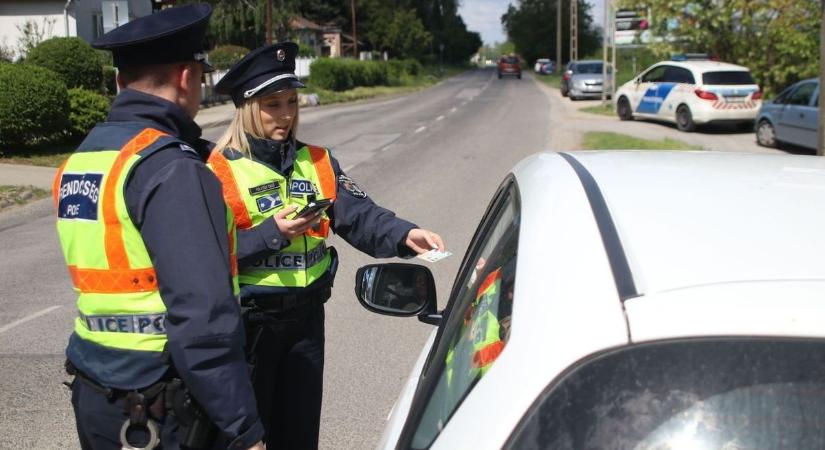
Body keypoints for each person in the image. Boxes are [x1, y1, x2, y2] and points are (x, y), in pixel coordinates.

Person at [208, 42, 446, 448]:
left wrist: (405, 235)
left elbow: (360, 214)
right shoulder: (217, 170)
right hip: (251, 326)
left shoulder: (317, 161)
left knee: (300, 437)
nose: (286, 114)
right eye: (272, 105)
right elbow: (206, 255)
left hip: (306, 323)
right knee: (248, 439)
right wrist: (272, 234)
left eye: (291, 102)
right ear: (248, 108)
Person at [52, 4, 264, 449]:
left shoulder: (84, 159)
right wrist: (244, 429)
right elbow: (202, 319)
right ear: (187, 79)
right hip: (160, 408)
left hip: (96, 392)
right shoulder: (171, 169)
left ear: (118, 81)